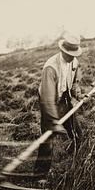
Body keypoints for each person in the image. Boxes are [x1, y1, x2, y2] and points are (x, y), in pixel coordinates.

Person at [34, 33, 83, 180]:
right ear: (62, 50)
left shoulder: (74, 62)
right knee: (48, 139)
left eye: (74, 53)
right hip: (49, 101)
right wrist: (54, 122)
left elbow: (74, 82)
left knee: (77, 135)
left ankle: (77, 165)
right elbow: (48, 99)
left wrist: (78, 93)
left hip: (65, 99)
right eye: (69, 53)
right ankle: (40, 175)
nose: (71, 56)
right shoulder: (51, 67)